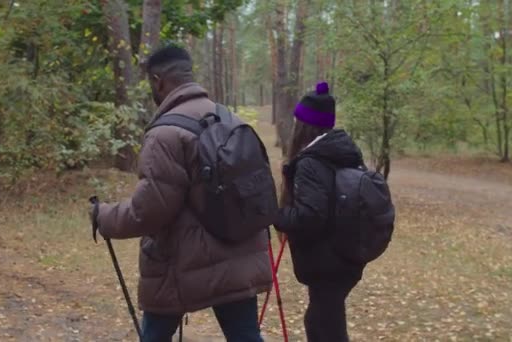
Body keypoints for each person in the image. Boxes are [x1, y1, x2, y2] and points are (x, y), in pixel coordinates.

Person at [91, 45, 272, 342]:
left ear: (158, 80)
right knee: (246, 336)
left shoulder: (165, 134)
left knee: (154, 337)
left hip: (180, 265)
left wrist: (104, 216)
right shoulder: (230, 120)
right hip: (240, 255)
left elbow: (148, 211)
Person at [274, 81, 365, 342]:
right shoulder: (344, 153)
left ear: (304, 126)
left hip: (328, 262)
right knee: (324, 322)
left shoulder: (312, 163)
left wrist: (276, 215)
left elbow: (311, 217)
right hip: (346, 255)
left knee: (323, 327)